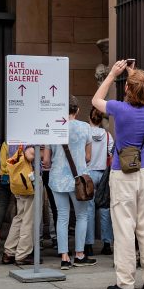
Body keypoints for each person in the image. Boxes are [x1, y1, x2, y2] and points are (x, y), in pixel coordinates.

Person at [92, 60, 144, 289]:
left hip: (123, 173)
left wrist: (113, 74)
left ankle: (125, 281)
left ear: (127, 89)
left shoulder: (120, 109)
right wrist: (135, 75)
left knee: (124, 227)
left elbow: (95, 100)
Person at [44, 96, 94, 271]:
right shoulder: (85, 127)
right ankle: (79, 254)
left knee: (62, 217)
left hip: (57, 179)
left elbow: (46, 161)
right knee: (81, 216)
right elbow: (88, 157)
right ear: (77, 110)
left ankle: (64, 257)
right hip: (78, 179)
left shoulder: (54, 128)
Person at [0, 141, 37, 266]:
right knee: (28, 219)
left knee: (19, 217)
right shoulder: (28, 139)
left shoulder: (12, 140)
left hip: (17, 182)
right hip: (28, 183)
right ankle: (22, 254)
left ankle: (9, 252)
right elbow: (30, 155)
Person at [87, 107, 111, 256]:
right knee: (104, 209)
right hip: (103, 174)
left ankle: (88, 245)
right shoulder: (108, 135)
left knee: (88, 210)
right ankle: (107, 243)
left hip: (88, 173)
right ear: (101, 120)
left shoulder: (85, 133)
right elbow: (112, 153)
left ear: (90, 118)